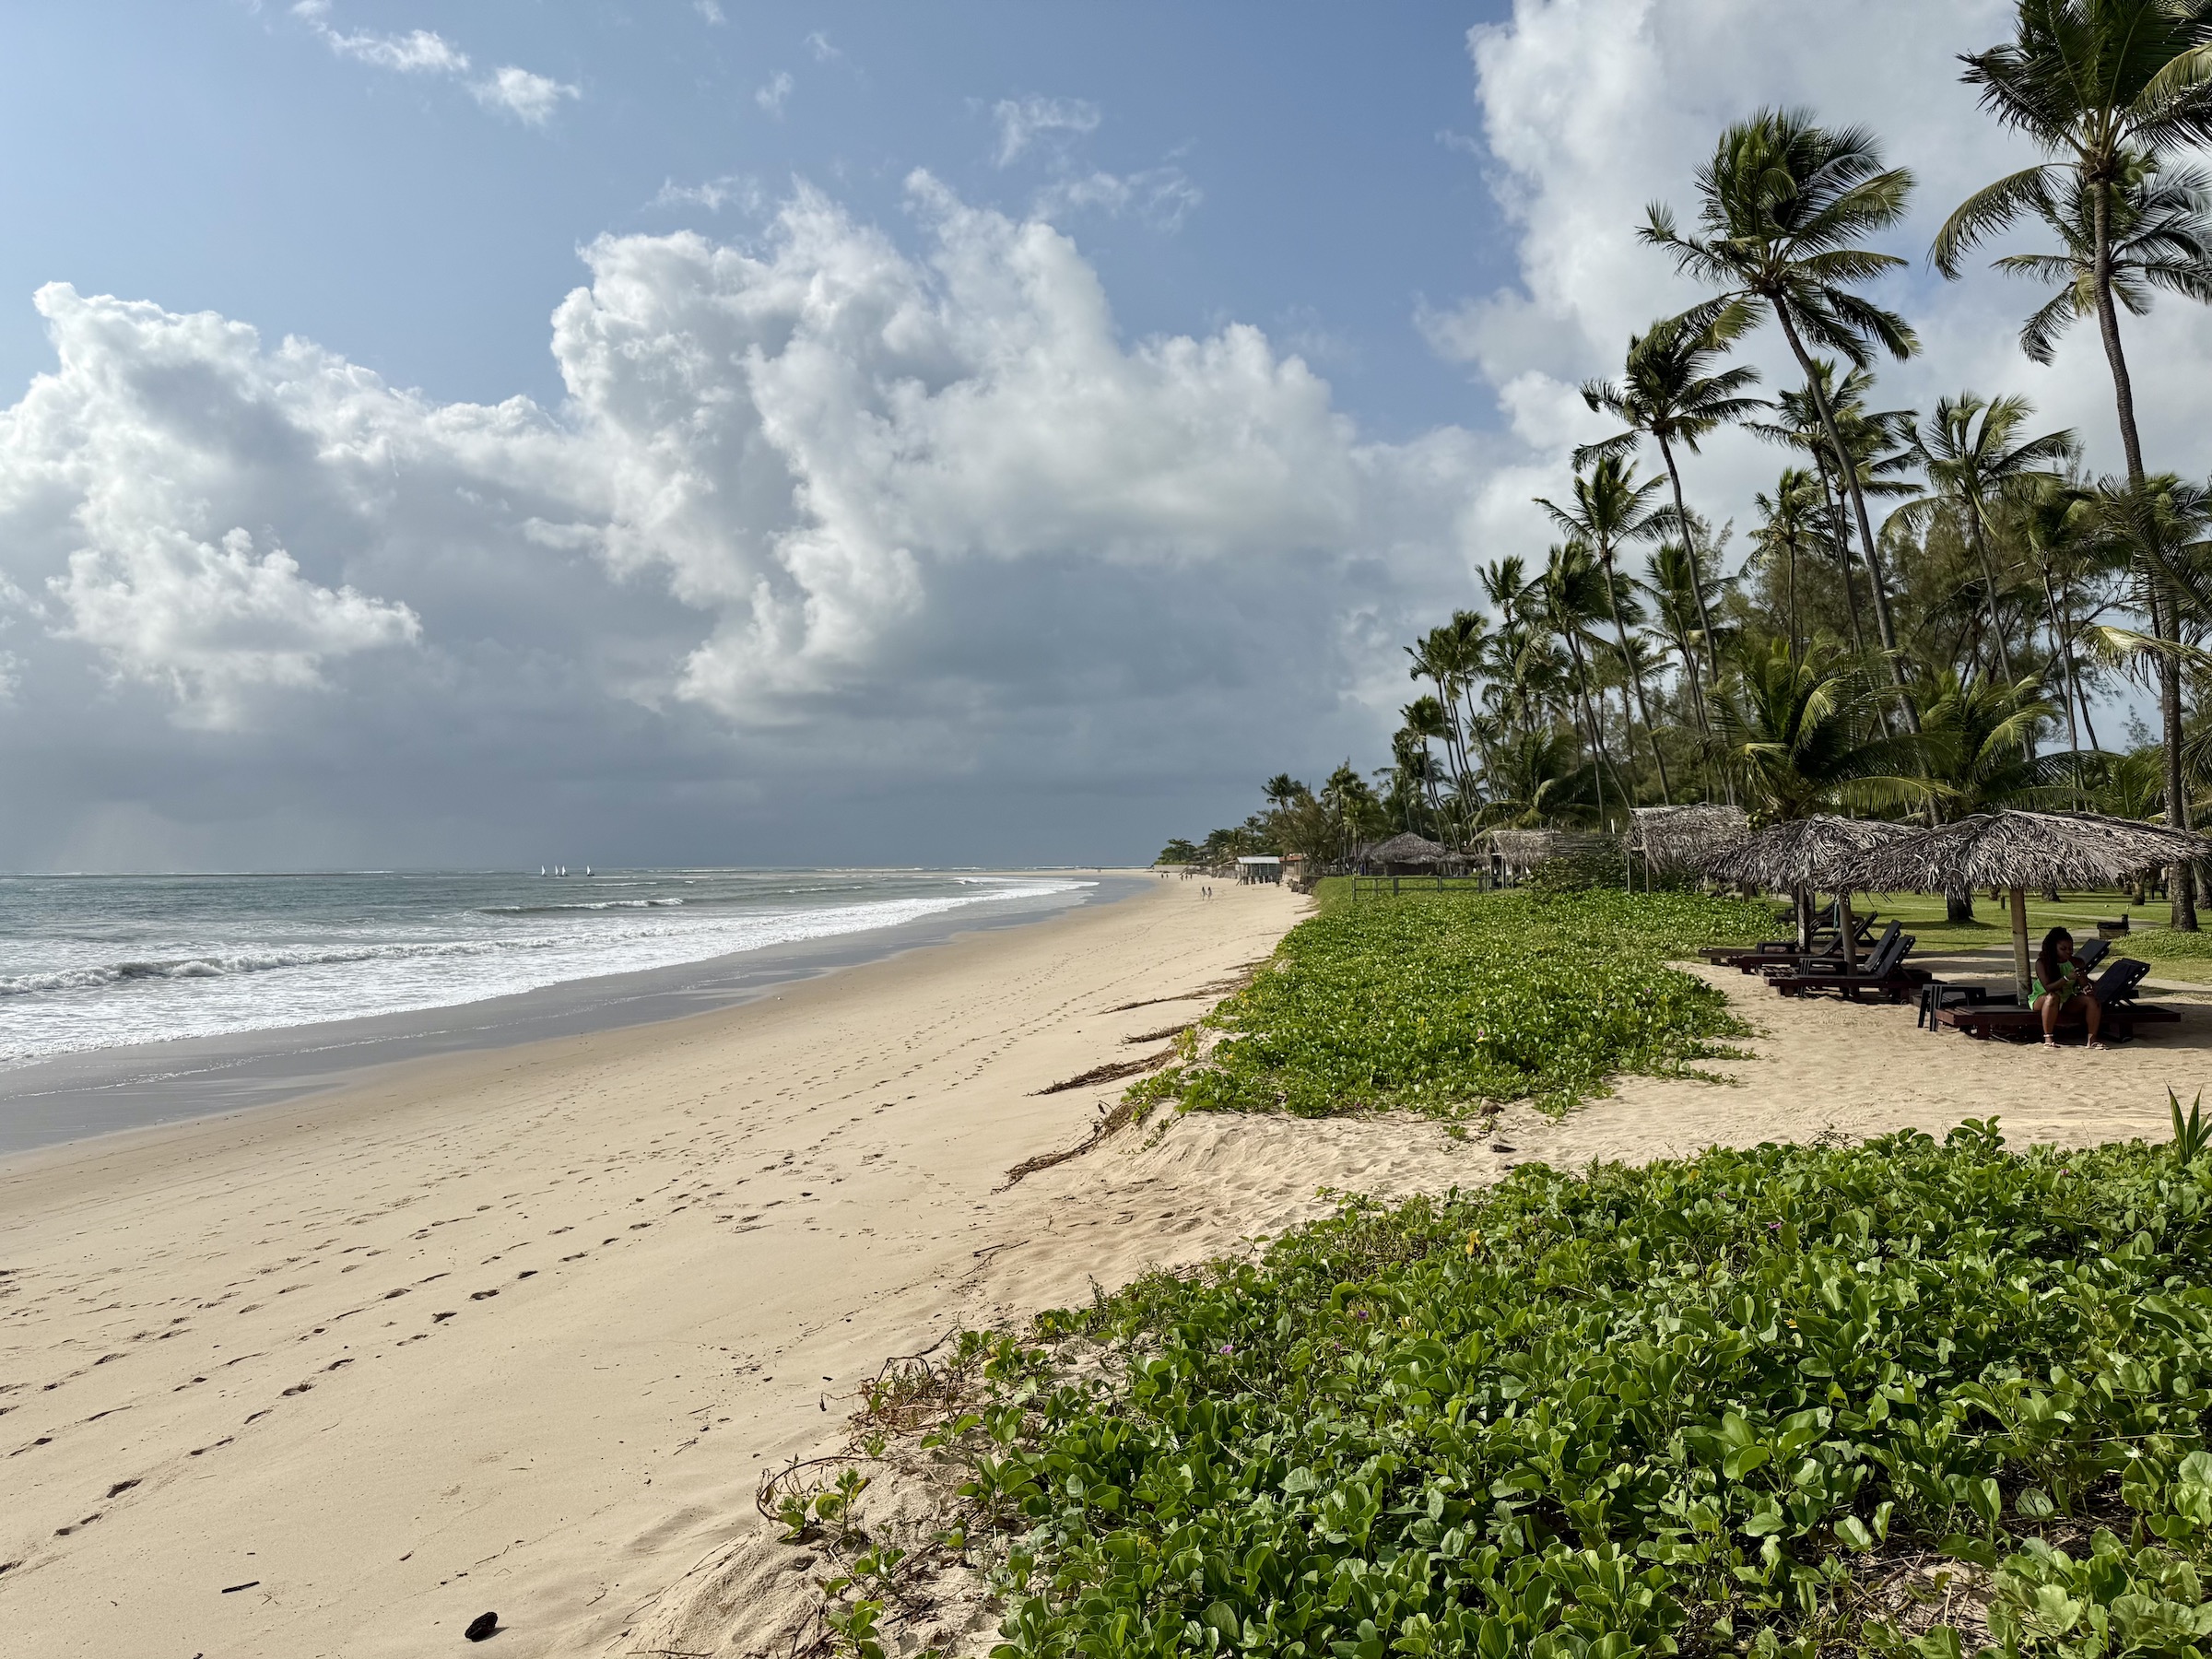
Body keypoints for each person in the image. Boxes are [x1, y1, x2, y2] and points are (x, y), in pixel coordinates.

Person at [2031, 926, 2104, 1050]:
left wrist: (2086, 986)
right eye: (2063, 949)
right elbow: (2049, 988)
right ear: (2053, 948)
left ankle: (2092, 1040)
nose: (2068, 952)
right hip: (2043, 998)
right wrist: (2066, 978)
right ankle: (2048, 1038)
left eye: (2070, 949)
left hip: (2066, 998)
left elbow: (2083, 984)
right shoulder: (2042, 963)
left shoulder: (2077, 962)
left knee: (2091, 1000)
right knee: (2052, 997)